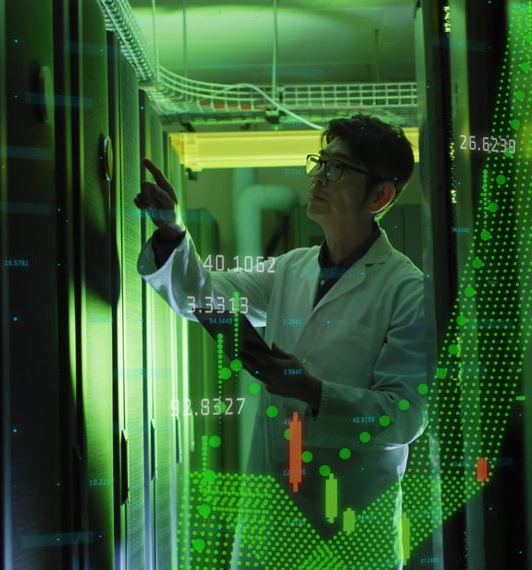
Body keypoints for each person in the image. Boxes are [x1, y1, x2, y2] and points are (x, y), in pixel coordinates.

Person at [134, 114, 428, 568]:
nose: (318, 177)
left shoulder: (406, 289)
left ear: (380, 195)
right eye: (319, 163)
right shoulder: (293, 268)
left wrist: (310, 390)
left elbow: (404, 416)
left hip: (349, 535)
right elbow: (205, 297)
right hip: (271, 528)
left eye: (336, 169)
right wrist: (173, 232)